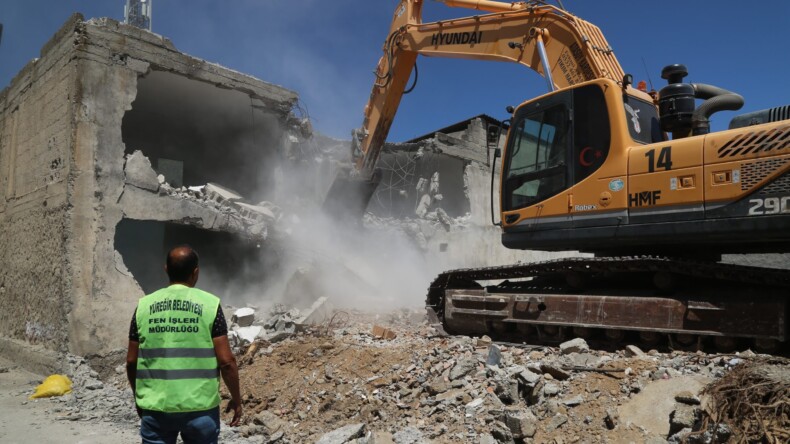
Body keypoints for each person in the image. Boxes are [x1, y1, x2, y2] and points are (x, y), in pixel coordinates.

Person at [126, 245, 242, 444]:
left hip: (156, 408)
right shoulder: (210, 305)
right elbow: (227, 362)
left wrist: (140, 398)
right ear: (195, 272)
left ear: (166, 269)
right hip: (200, 408)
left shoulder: (144, 306)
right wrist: (237, 399)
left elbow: (131, 361)